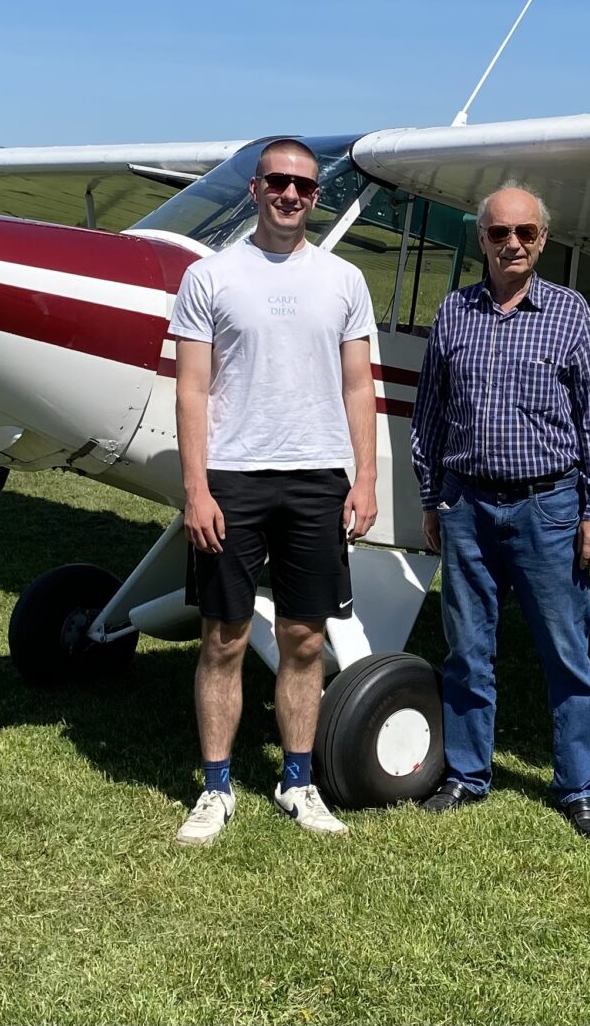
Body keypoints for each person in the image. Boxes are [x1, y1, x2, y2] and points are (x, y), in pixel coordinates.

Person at [167, 138, 378, 846]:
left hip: (317, 478)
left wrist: (365, 478)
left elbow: (358, 386)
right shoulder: (210, 276)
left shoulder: (344, 280)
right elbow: (191, 390)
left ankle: (297, 780)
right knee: (223, 636)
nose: (291, 195)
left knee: (304, 637)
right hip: (233, 478)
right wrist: (196, 489)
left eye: (305, 186)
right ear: (254, 188)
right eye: (278, 182)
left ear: (316, 197)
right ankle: (215, 787)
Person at [410, 182, 590, 838]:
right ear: (481, 239)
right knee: (467, 649)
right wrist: (432, 497)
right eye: (499, 233)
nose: (512, 244)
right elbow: (429, 417)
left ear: (542, 239)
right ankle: (467, 774)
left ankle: (577, 787)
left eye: (525, 233)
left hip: (549, 507)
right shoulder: (454, 313)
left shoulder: (570, 313)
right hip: (467, 505)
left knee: (565, 651)